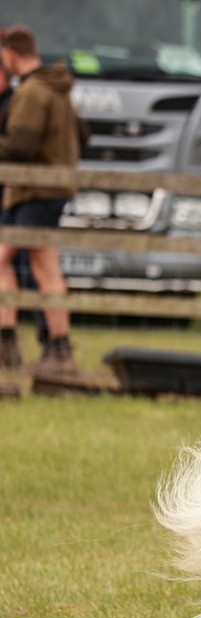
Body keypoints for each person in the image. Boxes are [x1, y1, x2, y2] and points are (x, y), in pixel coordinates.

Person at [0, 25, 86, 376]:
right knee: (35, 267)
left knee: (38, 268)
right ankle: (41, 346)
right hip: (47, 191)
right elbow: (84, 134)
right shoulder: (57, 89)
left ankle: (46, 347)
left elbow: (20, 146)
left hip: (34, 191)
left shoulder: (33, 92)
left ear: (10, 54)